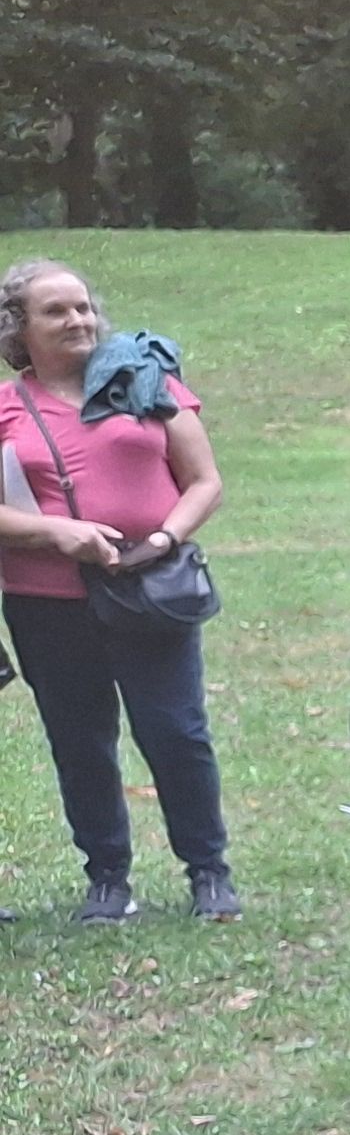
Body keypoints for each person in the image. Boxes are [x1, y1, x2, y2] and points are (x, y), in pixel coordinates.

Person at [0, 259, 233, 922]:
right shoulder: (7, 408)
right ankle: (107, 878)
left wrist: (162, 539)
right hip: (46, 603)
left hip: (151, 591)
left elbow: (204, 480)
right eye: (56, 311)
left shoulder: (145, 381)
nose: (78, 319)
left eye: (83, 307)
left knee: (177, 732)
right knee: (80, 741)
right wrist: (56, 533)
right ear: (18, 328)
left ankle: (209, 871)